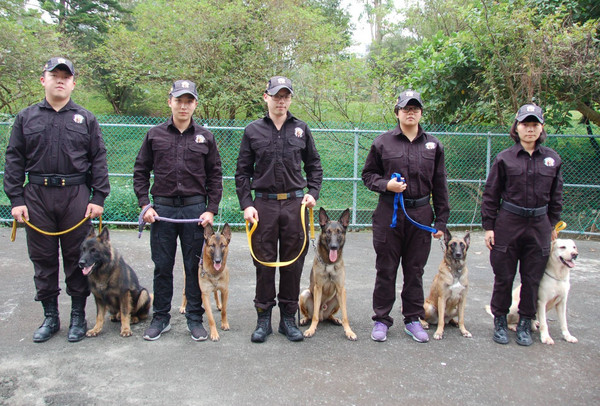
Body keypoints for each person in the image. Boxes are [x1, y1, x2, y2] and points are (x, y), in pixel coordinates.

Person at [3, 57, 110, 343]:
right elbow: (13, 158)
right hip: (36, 196)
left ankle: (78, 316)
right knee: (43, 259)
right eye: (55, 75)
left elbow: (98, 158)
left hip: (75, 195)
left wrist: (98, 196)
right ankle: (50, 317)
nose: (60, 80)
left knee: (79, 257)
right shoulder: (26, 118)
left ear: (74, 83)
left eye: (66, 76)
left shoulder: (86, 119)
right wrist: (16, 198)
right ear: (44, 80)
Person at [133, 80, 223, 341]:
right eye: (179, 100)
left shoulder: (205, 137)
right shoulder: (154, 135)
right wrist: (144, 205)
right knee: (162, 266)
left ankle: (194, 318)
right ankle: (161, 318)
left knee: (194, 266)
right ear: (169, 101)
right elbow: (140, 172)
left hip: (195, 213)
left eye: (189, 101)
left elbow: (215, 176)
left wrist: (211, 210)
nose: (183, 106)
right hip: (162, 211)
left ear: (195, 104)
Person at [235, 76, 323, 343]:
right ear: (266, 97)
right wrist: (247, 205)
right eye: (276, 96)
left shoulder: (301, 129)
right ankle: (263, 319)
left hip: (295, 206)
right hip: (263, 205)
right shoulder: (252, 130)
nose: (281, 100)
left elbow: (315, 167)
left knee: (293, 262)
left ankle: (288, 319)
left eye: (285, 96)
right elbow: (241, 173)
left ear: (290, 99)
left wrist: (312, 193)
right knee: (263, 262)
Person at [362, 90, 449, 343]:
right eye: (405, 108)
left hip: (421, 215)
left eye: (415, 108)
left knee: (414, 270)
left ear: (421, 112)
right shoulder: (382, 143)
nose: (410, 112)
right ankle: (381, 319)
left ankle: (413, 318)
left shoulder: (434, 145)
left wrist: (440, 221)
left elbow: (440, 185)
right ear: (397, 112)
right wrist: (386, 185)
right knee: (386, 269)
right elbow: (368, 176)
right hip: (389, 212)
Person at [481, 104, 562, 346]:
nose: (530, 129)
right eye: (525, 124)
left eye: (535, 124)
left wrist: (552, 226)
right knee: (504, 276)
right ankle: (500, 321)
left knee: (532, 277)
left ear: (541, 128)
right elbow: (491, 195)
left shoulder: (552, 159)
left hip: (539, 224)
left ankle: (526, 322)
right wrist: (489, 227)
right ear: (516, 127)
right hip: (508, 222)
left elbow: (557, 197)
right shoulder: (504, 159)